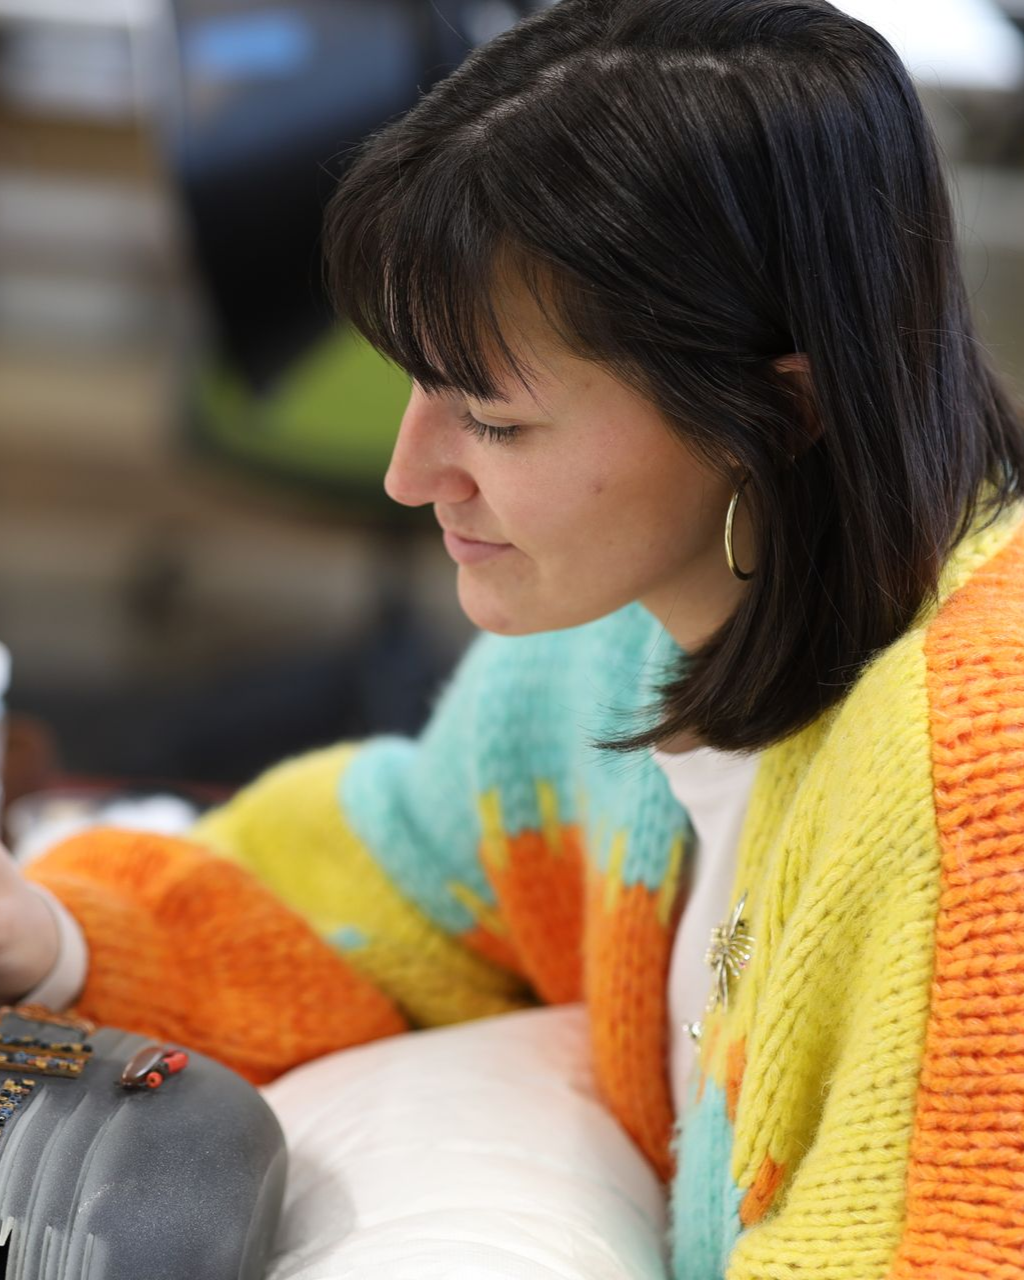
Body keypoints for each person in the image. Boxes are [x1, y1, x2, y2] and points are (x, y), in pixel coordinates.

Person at [2, 0, 1024, 1274]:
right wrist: (50, 936)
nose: (406, 471)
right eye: (415, 384)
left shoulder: (975, 797)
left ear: (778, 409)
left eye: (492, 420)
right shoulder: (612, 639)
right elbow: (386, 888)